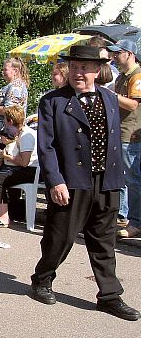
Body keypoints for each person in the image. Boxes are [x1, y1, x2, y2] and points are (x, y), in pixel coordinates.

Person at [30, 45, 139, 321]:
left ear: (96, 70)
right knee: (61, 237)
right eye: (75, 67)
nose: (79, 73)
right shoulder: (53, 101)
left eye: (85, 68)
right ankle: (42, 279)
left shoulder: (109, 98)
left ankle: (109, 296)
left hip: (106, 181)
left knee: (104, 241)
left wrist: (116, 181)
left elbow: (114, 140)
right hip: (72, 180)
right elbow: (47, 147)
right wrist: (56, 182)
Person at [107, 39, 141, 238]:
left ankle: (135, 222)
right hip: (120, 133)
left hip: (132, 134)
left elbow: (133, 105)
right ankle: (123, 216)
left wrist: (110, 95)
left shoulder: (136, 76)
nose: (114, 57)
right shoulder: (122, 76)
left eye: (117, 53)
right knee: (121, 178)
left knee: (133, 179)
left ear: (129, 53)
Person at [0, 57, 29, 144]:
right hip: (1, 133)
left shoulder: (16, 87)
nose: (3, 72)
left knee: (5, 156)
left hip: (8, 134)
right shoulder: (10, 86)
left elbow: (9, 110)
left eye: (5, 70)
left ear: (15, 71)